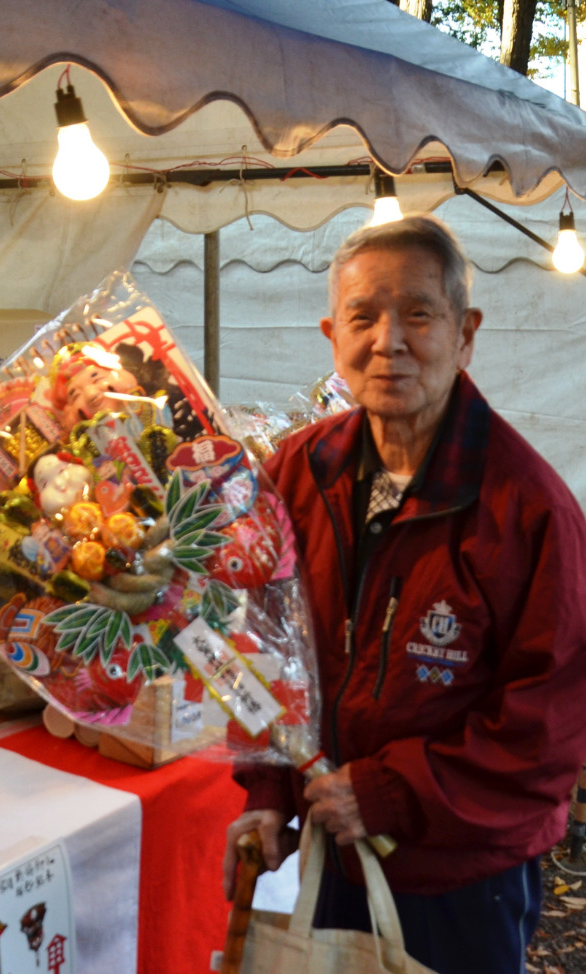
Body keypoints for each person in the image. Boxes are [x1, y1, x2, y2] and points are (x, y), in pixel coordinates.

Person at [221, 214, 586, 974]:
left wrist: (389, 792)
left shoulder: (528, 510)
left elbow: (549, 733)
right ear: (332, 335)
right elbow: (265, 652)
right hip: (335, 852)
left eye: (418, 313)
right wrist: (266, 791)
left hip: (459, 874)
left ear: (466, 331)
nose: (389, 341)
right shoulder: (298, 472)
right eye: (364, 316)